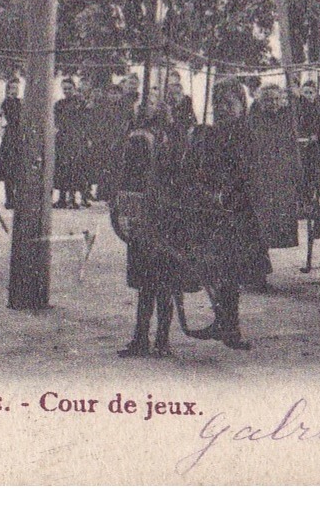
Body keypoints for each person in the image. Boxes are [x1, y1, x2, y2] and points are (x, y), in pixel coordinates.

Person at [111, 105, 199, 358]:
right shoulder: (165, 140)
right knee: (162, 285)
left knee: (151, 284)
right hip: (164, 219)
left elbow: (131, 179)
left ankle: (148, 339)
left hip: (155, 217)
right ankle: (158, 341)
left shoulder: (144, 140)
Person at [181, 78, 262, 351]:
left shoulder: (244, 133)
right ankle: (224, 322)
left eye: (229, 104)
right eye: (218, 104)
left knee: (228, 270)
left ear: (242, 105)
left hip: (235, 208)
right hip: (215, 208)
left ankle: (231, 328)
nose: (223, 109)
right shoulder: (214, 132)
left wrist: (224, 189)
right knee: (217, 269)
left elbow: (242, 171)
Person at [244, 83, 304, 255]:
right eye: (269, 100)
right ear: (262, 101)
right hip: (264, 167)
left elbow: (291, 142)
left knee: (283, 205)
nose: (273, 103)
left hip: (283, 168)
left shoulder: (286, 117)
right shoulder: (255, 118)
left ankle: (281, 237)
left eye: (277, 99)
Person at [53, 78, 87, 209]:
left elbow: (85, 121)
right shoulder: (59, 104)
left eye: (69, 88)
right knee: (62, 167)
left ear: (74, 88)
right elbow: (56, 120)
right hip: (62, 138)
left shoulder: (80, 103)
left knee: (74, 167)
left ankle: (72, 198)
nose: (67, 91)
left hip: (75, 138)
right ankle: (61, 198)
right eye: (65, 88)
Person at [0, 81, 22, 210]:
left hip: (19, 136)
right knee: (9, 168)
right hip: (11, 136)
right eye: (12, 88)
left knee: (17, 169)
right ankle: (10, 198)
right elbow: (13, 117)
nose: (15, 90)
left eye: (16, 88)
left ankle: (16, 197)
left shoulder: (19, 101)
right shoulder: (7, 102)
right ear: (8, 89)